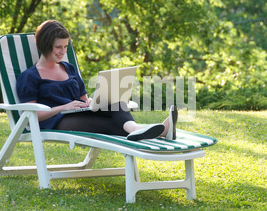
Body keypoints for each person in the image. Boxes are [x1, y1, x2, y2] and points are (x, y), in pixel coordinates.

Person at [16, 20, 177, 141]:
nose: (63, 52)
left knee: (115, 101)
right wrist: (63, 107)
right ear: (45, 45)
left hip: (79, 113)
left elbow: (84, 99)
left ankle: (136, 129)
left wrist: (93, 101)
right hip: (57, 121)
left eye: (65, 47)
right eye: (59, 47)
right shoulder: (30, 76)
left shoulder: (68, 68)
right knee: (112, 124)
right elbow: (31, 114)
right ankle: (158, 131)